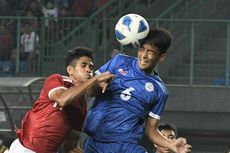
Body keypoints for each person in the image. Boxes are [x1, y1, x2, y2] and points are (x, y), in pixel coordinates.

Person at [83, 27, 191, 153]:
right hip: (95, 143)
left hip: (125, 147)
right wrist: (98, 84)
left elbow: (151, 130)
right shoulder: (119, 61)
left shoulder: (160, 91)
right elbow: (90, 92)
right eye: (141, 49)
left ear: (161, 57)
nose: (144, 55)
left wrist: (171, 145)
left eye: (150, 51)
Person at [9, 46, 114, 153]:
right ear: (70, 70)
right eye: (84, 65)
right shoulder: (57, 79)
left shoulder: (82, 106)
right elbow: (62, 100)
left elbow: (69, 147)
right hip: (26, 148)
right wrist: (95, 79)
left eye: (91, 68)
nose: (88, 70)